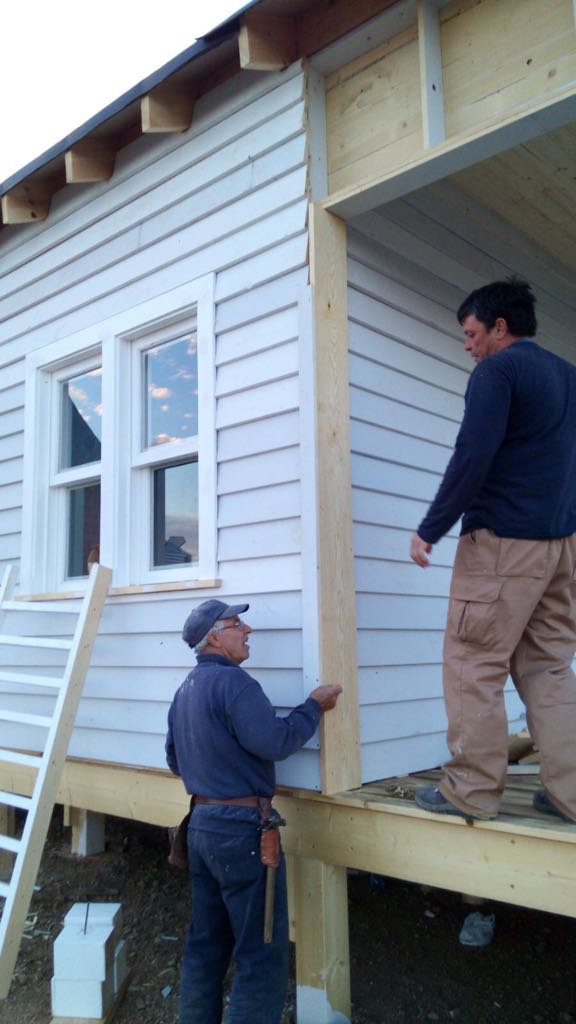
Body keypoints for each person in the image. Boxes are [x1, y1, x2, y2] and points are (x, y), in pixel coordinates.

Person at [410, 278, 576, 824]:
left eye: (471, 332)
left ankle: (471, 790)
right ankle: (570, 793)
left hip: (503, 544)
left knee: (471, 664)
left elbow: (472, 454)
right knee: (549, 669)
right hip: (560, 546)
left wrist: (431, 527)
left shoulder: (497, 371)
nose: (468, 345)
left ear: (499, 328)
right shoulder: (569, 377)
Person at [165, 598, 342, 1024]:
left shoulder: (185, 690)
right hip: (242, 834)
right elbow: (275, 742)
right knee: (260, 955)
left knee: (206, 947)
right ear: (214, 636)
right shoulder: (235, 685)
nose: (247, 630)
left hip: (201, 828)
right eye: (236, 623)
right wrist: (313, 706)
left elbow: (175, 761)